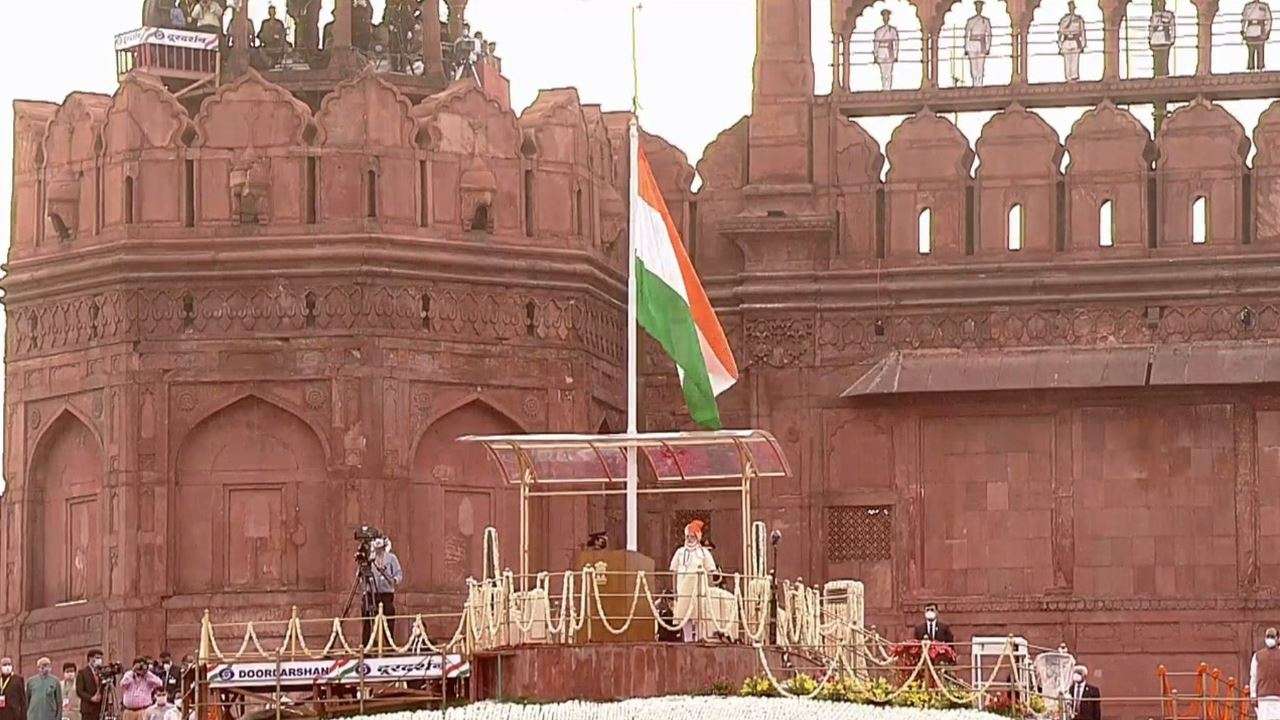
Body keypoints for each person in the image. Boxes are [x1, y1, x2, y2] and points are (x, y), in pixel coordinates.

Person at [669, 520, 717, 642]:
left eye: (692, 536)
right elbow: (674, 572)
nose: (690, 539)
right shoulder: (680, 552)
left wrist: (710, 591)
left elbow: (710, 572)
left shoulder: (704, 553)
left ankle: (700, 639)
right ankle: (688, 639)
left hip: (699, 592)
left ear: (697, 537)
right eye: (688, 536)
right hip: (683, 589)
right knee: (685, 616)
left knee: (699, 615)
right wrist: (675, 591)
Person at [365, 537, 404, 643]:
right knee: (367, 620)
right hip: (371, 594)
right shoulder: (369, 559)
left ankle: (389, 644)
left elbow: (399, 574)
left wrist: (394, 580)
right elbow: (360, 575)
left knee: (389, 619)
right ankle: (367, 644)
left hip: (386, 594)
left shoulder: (391, 558)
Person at [1253, 627, 1280, 719]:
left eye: (1271, 636)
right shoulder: (1257, 656)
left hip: (1268, 696)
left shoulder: (1257, 656)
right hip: (1270, 697)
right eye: (1269, 636)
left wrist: (1253, 695)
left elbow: (1253, 677)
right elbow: (1253, 677)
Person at [965, 1, 993, 85]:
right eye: (977, 7)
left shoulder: (986, 21)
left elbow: (989, 35)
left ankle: (980, 82)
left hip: (982, 43)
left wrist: (988, 47)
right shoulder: (971, 21)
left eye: (980, 7)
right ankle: (974, 81)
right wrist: (966, 47)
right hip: (972, 43)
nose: (979, 9)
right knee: (973, 64)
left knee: (980, 64)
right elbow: (966, 34)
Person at [1058, 1, 1086, 81]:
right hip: (1067, 41)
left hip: (1075, 41)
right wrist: (1060, 43)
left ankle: (1074, 75)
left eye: (1073, 7)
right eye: (1070, 7)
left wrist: (1083, 43)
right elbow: (1061, 32)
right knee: (1067, 60)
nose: (1071, 9)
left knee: (1075, 59)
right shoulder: (1064, 19)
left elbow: (1082, 31)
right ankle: (1068, 76)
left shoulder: (1078, 19)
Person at [873, 9, 900, 90]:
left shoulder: (893, 30)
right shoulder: (878, 31)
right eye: (884, 16)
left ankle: (888, 88)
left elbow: (896, 43)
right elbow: (876, 43)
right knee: (883, 72)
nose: (886, 18)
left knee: (889, 72)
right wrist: (875, 54)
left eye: (887, 16)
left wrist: (895, 55)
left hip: (889, 51)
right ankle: (884, 88)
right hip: (881, 52)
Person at [1148, 0, 1175, 77]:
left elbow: (1172, 27)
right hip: (1155, 40)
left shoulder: (1169, 15)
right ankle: (1157, 74)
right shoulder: (1154, 15)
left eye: (1161, 3)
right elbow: (1151, 28)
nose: (1160, 5)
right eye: (1158, 3)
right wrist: (1150, 39)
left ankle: (1164, 74)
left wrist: (1172, 39)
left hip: (1165, 40)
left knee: (1164, 58)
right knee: (1157, 58)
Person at [1243, 0, 1272, 69]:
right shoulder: (1248, 6)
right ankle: (1251, 69)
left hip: (1260, 30)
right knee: (1251, 52)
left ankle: (1260, 69)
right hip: (1250, 31)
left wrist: (1267, 31)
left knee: (1260, 52)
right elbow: (1244, 20)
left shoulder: (1264, 6)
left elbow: (1269, 19)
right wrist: (1243, 30)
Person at [74, 652, 103, 720]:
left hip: (101, 708)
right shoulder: (82, 673)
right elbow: (79, 691)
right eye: (97, 658)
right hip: (88, 709)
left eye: (100, 658)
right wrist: (91, 698)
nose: (99, 660)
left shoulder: (102, 672)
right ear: (90, 658)